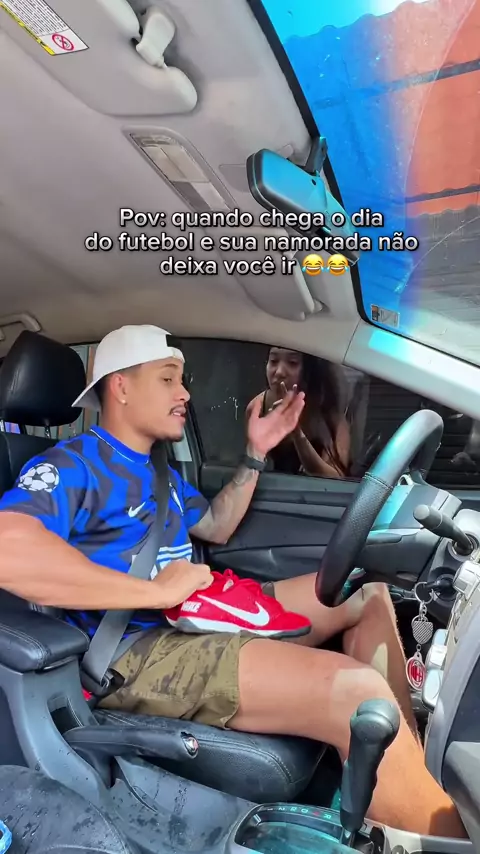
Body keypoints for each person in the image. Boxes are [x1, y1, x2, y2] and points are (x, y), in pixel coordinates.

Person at [0, 325, 465, 838]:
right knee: (356, 693)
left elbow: (217, 525)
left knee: (367, 594)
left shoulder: (158, 470)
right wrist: (155, 592)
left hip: (199, 611)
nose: (184, 394)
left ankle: (407, 774)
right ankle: (440, 839)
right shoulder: (70, 465)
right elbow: (9, 551)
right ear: (121, 387)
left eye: (182, 380)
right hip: (133, 649)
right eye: (168, 379)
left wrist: (255, 453)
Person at [246, 347, 350, 478]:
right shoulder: (257, 408)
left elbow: (336, 479)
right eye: (273, 361)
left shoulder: (328, 413)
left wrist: (296, 433)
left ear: (309, 371)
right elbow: (250, 470)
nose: (279, 372)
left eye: (292, 363)